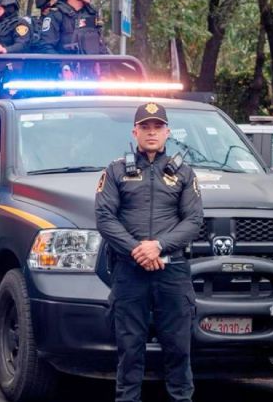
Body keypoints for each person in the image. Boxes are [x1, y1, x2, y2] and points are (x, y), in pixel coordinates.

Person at [95, 102, 203, 402]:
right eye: (145, 127)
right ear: (135, 132)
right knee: (129, 349)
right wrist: (137, 250)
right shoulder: (116, 170)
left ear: (168, 132)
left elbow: (194, 220)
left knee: (179, 348)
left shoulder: (184, 173)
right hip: (130, 272)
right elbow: (104, 217)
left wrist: (158, 246)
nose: (151, 132)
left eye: (157, 127)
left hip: (173, 271)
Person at [39, 0, 110, 55]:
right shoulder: (56, 15)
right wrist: (62, 63)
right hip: (65, 63)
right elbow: (46, 47)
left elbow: (101, 46)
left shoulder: (91, 13)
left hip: (91, 63)